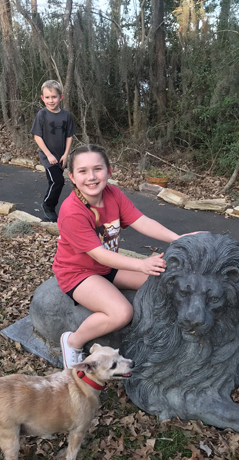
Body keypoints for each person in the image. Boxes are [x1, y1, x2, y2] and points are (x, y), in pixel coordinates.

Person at [53, 144, 203, 368]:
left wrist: (178, 238)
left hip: (107, 267)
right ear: (72, 177)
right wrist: (141, 264)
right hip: (78, 272)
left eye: (97, 169)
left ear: (109, 171)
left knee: (164, 282)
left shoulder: (113, 194)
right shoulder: (72, 211)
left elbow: (142, 222)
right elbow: (99, 255)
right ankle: (73, 341)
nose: (91, 177)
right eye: (83, 171)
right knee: (121, 313)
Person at [30, 80, 76, 222]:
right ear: (42, 98)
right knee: (58, 181)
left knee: (54, 181)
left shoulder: (66, 115)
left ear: (60, 97)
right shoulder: (42, 115)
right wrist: (48, 155)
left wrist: (66, 154)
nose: (51, 100)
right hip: (48, 157)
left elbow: (69, 136)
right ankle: (48, 206)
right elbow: (37, 136)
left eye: (54, 97)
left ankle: (74, 207)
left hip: (61, 156)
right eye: (47, 97)